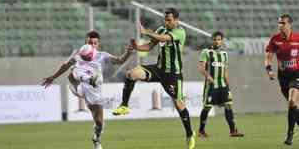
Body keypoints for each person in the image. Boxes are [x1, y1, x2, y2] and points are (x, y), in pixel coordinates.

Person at [112, 8, 196, 149]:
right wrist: (137, 47)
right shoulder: (161, 29)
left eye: (169, 20)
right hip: (158, 69)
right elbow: (150, 46)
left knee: (179, 104)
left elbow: (165, 39)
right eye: (165, 20)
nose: (166, 22)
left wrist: (145, 32)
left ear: (176, 20)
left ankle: (189, 134)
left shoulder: (180, 32)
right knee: (131, 74)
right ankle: (124, 106)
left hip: (173, 75)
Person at [42, 31, 133, 149]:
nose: (92, 45)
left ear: (98, 44)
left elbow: (119, 60)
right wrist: (53, 77)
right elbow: (65, 65)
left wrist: (128, 53)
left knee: (99, 123)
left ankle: (97, 139)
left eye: (95, 43)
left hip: (95, 92)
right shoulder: (78, 54)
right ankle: (76, 84)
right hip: (80, 85)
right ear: (86, 42)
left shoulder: (102, 55)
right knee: (74, 71)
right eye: (90, 43)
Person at [197, 31, 244, 138]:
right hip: (211, 85)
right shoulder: (206, 52)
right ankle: (201, 131)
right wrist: (208, 76)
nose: (217, 42)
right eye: (214, 39)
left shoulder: (224, 54)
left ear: (222, 41)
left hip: (223, 85)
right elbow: (201, 68)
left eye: (218, 40)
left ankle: (233, 130)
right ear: (212, 40)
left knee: (228, 105)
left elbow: (226, 71)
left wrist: (228, 86)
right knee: (207, 107)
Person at [265, 14, 299, 145]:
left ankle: (290, 135)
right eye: (279, 23)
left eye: (283, 23)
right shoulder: (275, 39)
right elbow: (268, 56)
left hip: (296, 74)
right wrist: (269, 70)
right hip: (283, 77)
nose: (280, 25)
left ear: (290, 24)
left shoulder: (297, 38)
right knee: (293, 106)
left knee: (291, 101)